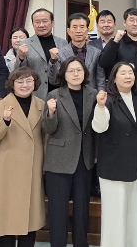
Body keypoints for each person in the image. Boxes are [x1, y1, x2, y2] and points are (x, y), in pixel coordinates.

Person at [0, 67, 47, 247]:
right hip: (8, 169)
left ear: (35, 83)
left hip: (33, 167)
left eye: (29, 81)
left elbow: (46, 138)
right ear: (12, 84)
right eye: (20, 82)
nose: (25, 85)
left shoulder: (41, 105)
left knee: (30, 217)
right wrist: (4, 122)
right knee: (6, 216)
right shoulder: (1, 106)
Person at [92, 62, 137, 247]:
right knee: (114, 216)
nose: (127, 76)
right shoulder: (106, 99)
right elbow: (99, 127)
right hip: (113, 166)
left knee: (136, 214)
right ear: (114, 78)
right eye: (122, 73)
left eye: (130, 72)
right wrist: (100, 107)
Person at [42, 58, 97, 247]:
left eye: (79, 70)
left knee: (82, 209)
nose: (75, 74)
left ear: (85, 73)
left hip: (85, 158)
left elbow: (97, 127)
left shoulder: (93, 94)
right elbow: (48, 129)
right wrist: (51, 113)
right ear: (63, 74)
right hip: (59, 159)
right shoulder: (54, 95)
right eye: (71, 71)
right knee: (58, 209)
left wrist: (96, 152)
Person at [99, 8, 137, 88]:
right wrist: (115, 42)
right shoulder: (116, 42)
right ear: (124, 22)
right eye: (131, 20)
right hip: (120, 92)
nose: (135, 24)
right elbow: (103, 63)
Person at [18, 8, 69, 99]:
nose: (41, 25)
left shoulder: (63, 43)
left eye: (45, 21)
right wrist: (21, 58)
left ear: (52, 23)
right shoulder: (25, 44)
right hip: (36, 93)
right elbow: (18, 72)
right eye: (37, 22)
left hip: (60, 93)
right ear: (33, 25)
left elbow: (67, 68)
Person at [49, 13, 105, 90]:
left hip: (91, 95)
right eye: (74, 27)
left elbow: (100, 79)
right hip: (68, 95)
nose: (78, 31)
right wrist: (53, 60)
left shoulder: (96, 52)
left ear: (87, 30)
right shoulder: (60, 53)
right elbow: (53, 80)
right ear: (68, 31)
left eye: (82, 27)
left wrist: (101, 94)